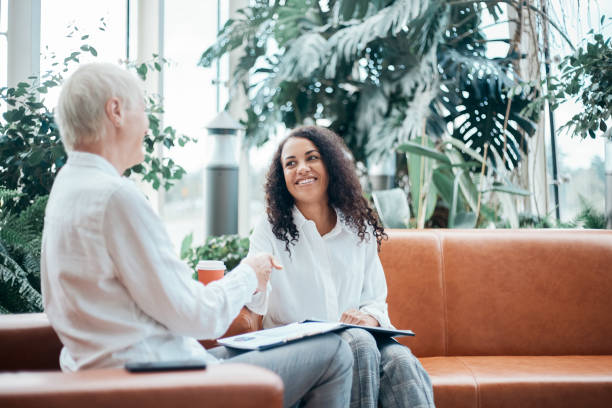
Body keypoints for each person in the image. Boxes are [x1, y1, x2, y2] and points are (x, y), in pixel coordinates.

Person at [41, 63, 352, 408]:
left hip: (126, 371)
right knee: (334, 351)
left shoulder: (68, 188)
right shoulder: (116, 197)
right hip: (159, 382)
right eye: (144, 110)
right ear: (115, 111)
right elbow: (198, 317)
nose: (147, 126)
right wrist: (251, 273)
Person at [247, 126, 435, 408]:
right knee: (358, 343)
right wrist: (256, 278)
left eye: (312, 158)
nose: (302, 168)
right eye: (291, 163)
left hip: (363, 341)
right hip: (299, 349)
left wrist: (369, 318)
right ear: (282, 177)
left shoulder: (358, 227)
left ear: (330, 165)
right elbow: (254, 301)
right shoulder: (269, 229)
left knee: (400, 360)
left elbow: (374, 298)